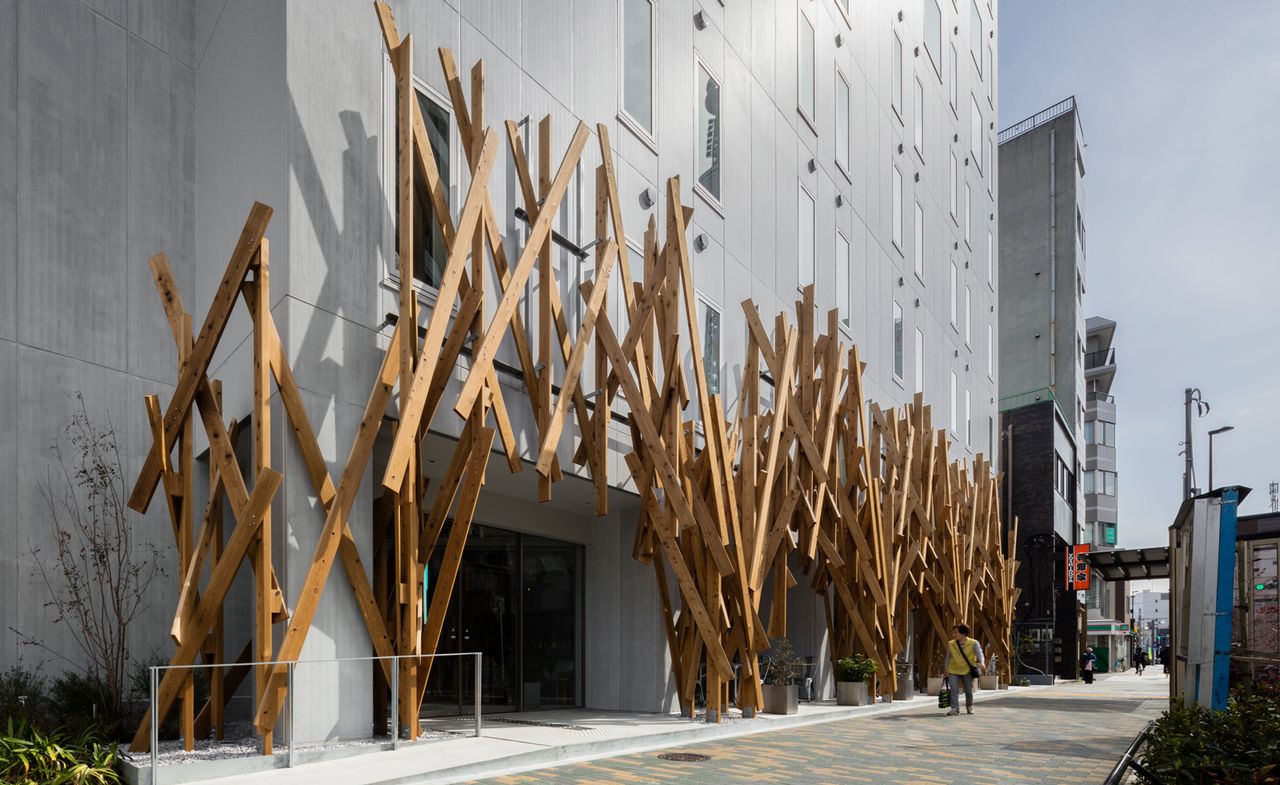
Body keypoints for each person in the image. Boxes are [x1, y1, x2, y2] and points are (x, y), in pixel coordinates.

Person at [941, 624, 986, 716]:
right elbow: (948, 657)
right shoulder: (951, 643)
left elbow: (979, 653)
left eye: (956, 633)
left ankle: (969, 706)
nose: (954, 635)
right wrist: (946, 668)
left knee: (968, 690)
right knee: (954, 690)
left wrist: (982, 662)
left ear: (964, 633)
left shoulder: (974, 643)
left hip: (967, 670)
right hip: (953, 669)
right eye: (953, 633)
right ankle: (955, 709)